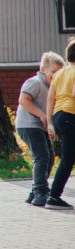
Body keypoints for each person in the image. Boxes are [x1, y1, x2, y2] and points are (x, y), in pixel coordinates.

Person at [19, 51, 64, 206]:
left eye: (59, 73)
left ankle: (35, 190)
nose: (56, 75)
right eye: (53, 72)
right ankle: (40, 192)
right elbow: (23, 100)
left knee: (49, 157)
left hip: (40, 127)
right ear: (43, 69)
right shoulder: (35, 82)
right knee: (42, 157)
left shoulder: (51, 86)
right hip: (28, 124)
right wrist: (42, 116)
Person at [45, 39, 75, 208]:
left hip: (58, 116)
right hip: (71, 115)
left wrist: (50, 122)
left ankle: (53, 195)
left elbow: (50, 98)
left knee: (68, 157)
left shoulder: (60, 73)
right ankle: (54, 196)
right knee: (67, 159)